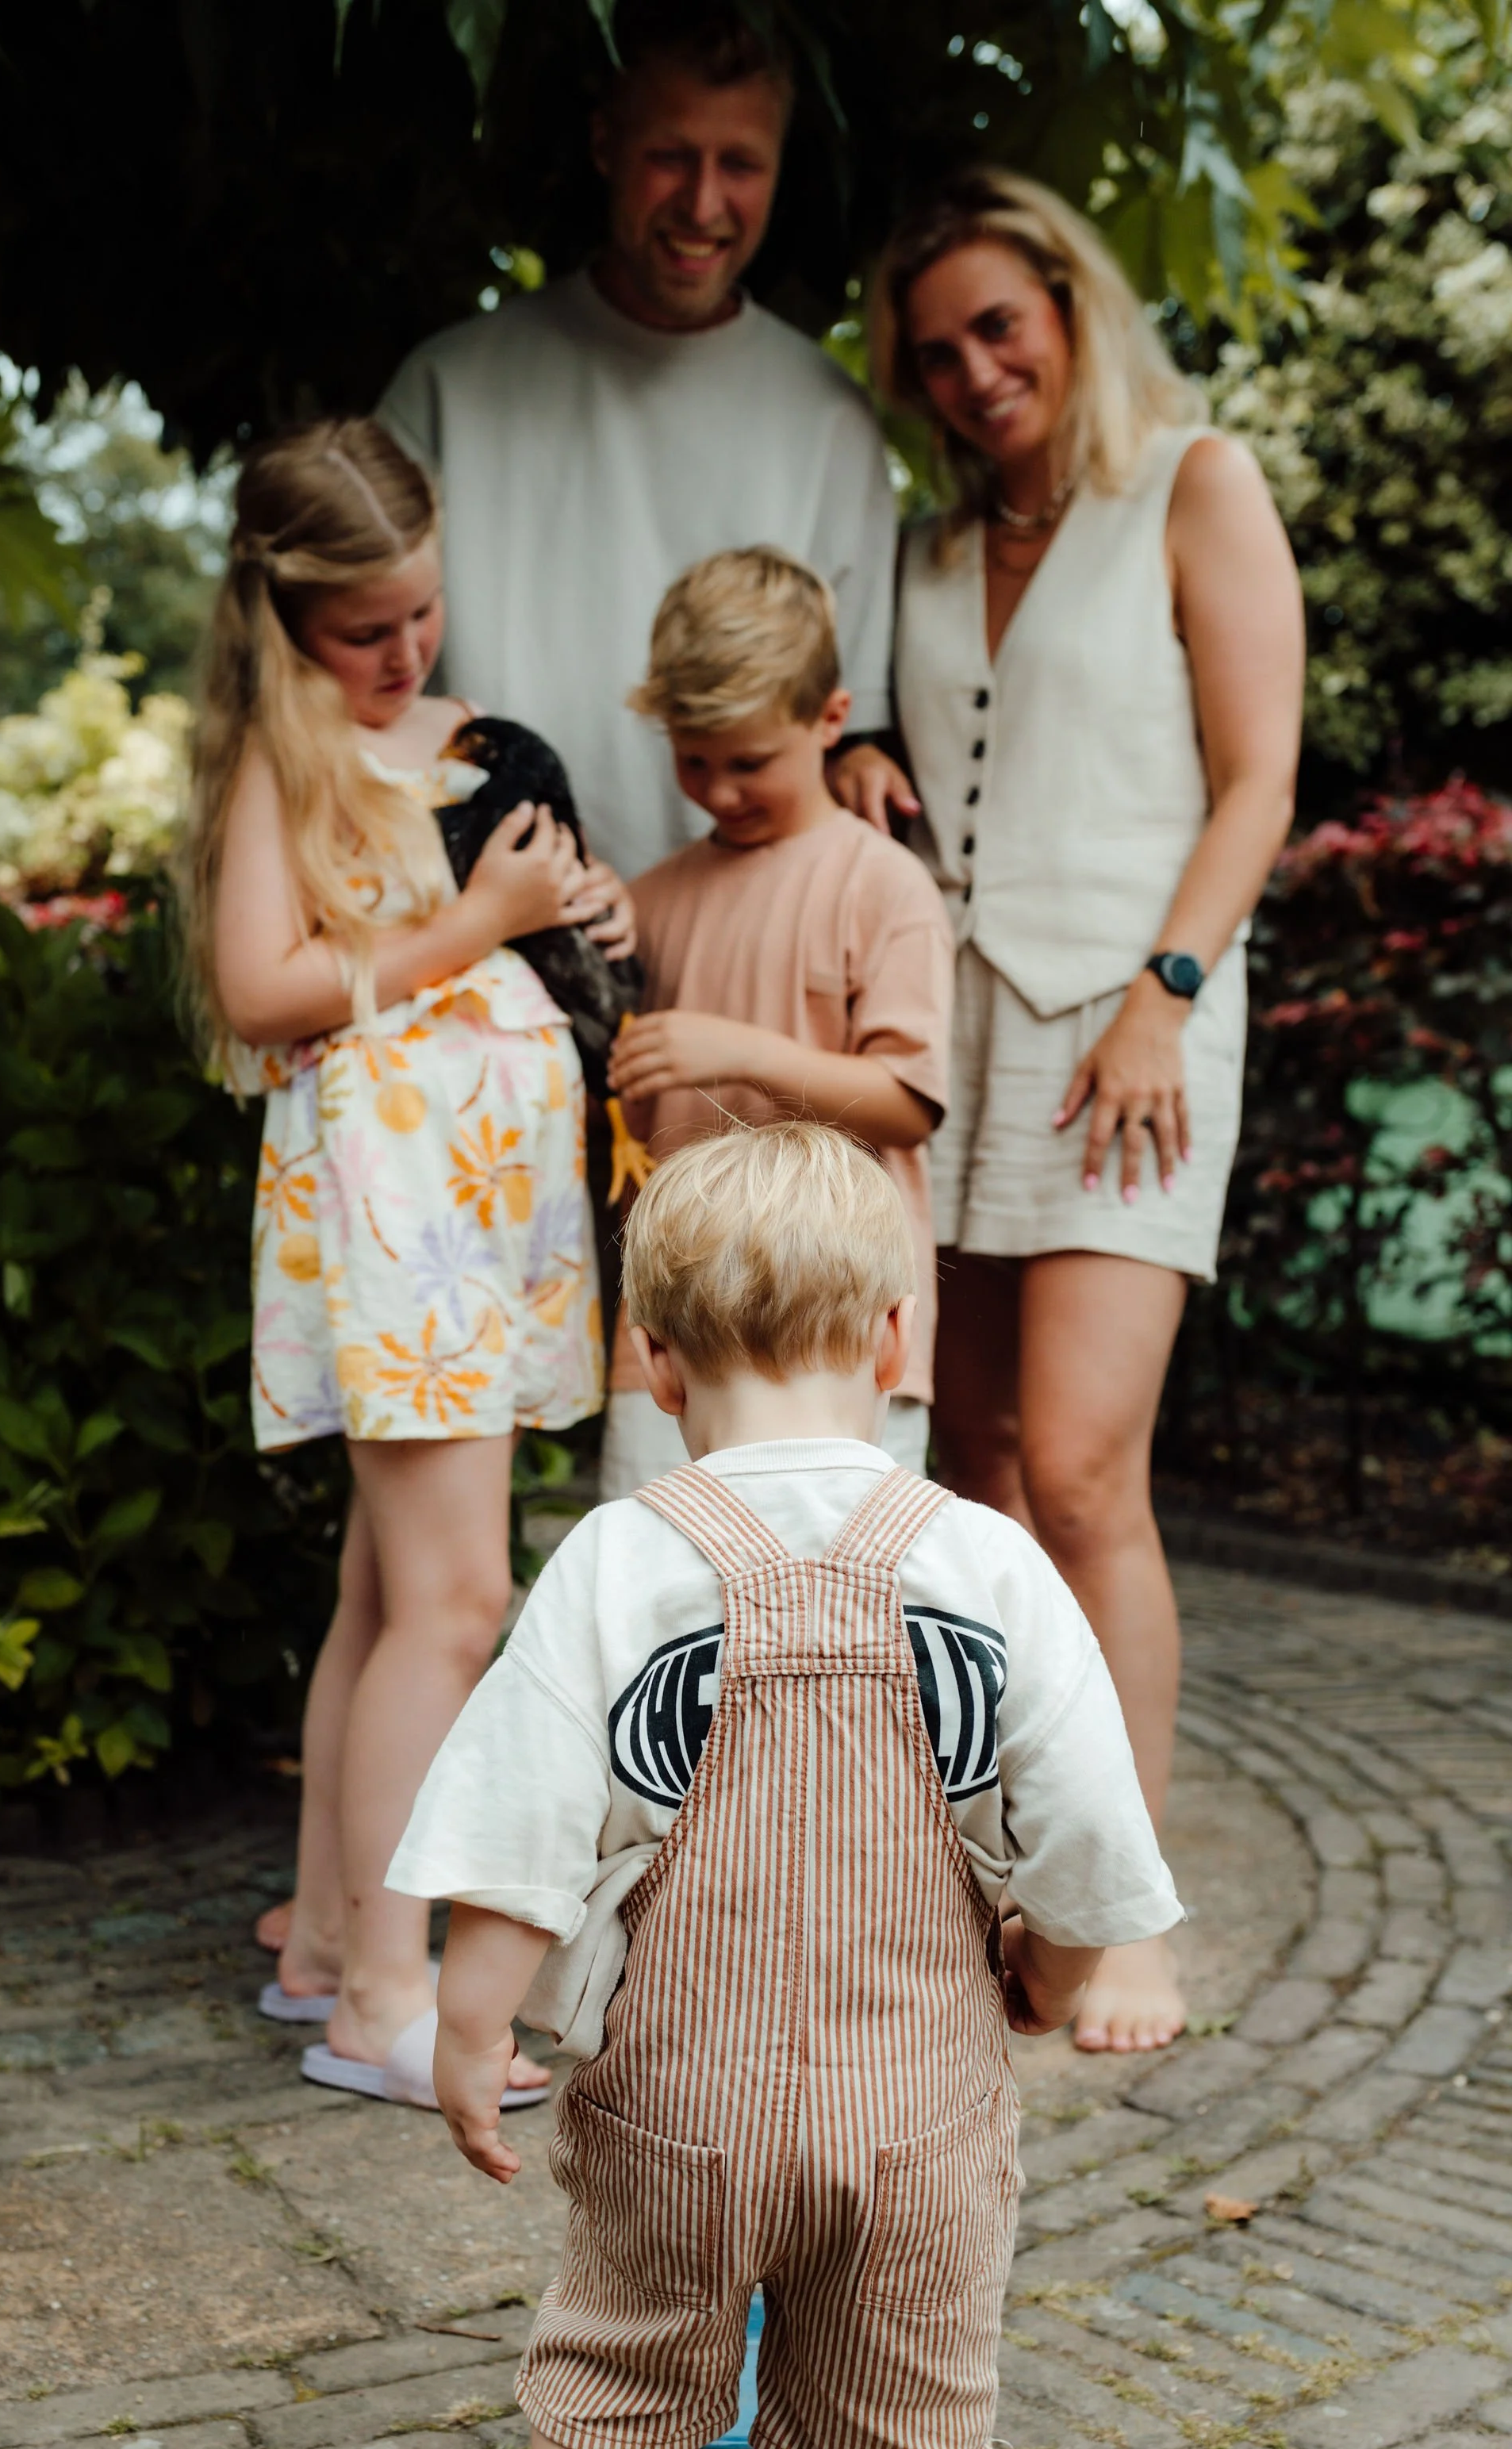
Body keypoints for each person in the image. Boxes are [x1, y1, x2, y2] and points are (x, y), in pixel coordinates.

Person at [391, 1123, 1181, 2449]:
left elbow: (524, 1818)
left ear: (653, 1361)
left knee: (613, 2345)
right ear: (897, 1339)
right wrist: (1053, 1966)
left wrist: (469, 2024)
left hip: (683, 2092)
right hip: (919, 2107)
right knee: (903, 2380)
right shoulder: (988, 1561)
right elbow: (1090, 1824)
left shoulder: (622, 1557)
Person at [873, 169, 1305, 2056]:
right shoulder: (916, 547)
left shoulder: (1190, 485)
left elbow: (1253, 777)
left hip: (1130, 1031)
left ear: (1066, 300)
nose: (972, 372)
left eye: (997, 323)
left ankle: (1120, 1916)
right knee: (962, 1473)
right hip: (948, 1047)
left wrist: (1165, 996)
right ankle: (1005, 1875)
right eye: (934, 351)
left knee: (1075, 1467)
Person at [184, 417, 612, 2106]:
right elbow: (259, 990)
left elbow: (536, 929)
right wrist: (476, 925)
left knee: (389, 1587)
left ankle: (319, 1955)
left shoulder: (458, 742)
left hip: (484, 1200)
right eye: (364, 629)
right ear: (282, 616)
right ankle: (385, 1995)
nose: (404, 652)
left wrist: (577, 913)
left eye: (421, 615)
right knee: (459, 1599)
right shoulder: (280, 765)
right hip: (400, 1208)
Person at [378, 0, 898, 881]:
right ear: (604, 145)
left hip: (744, 940)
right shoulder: (448, 390)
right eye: (670, 157)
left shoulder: (829, 420)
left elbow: (847, 738)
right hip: (480, 941)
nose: (703, 203)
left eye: (740, 164)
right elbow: (336, 691)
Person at [600, 546, 953, 1495]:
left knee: (845, 1604)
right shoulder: (650, 901)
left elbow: (907, 1104)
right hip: (674, 1335)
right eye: (693, 761)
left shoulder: (883, 884)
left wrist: (743, 1055)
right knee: (661, 1602)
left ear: (833, 718)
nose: (718, 792)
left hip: (839, 1328)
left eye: (749, 762)